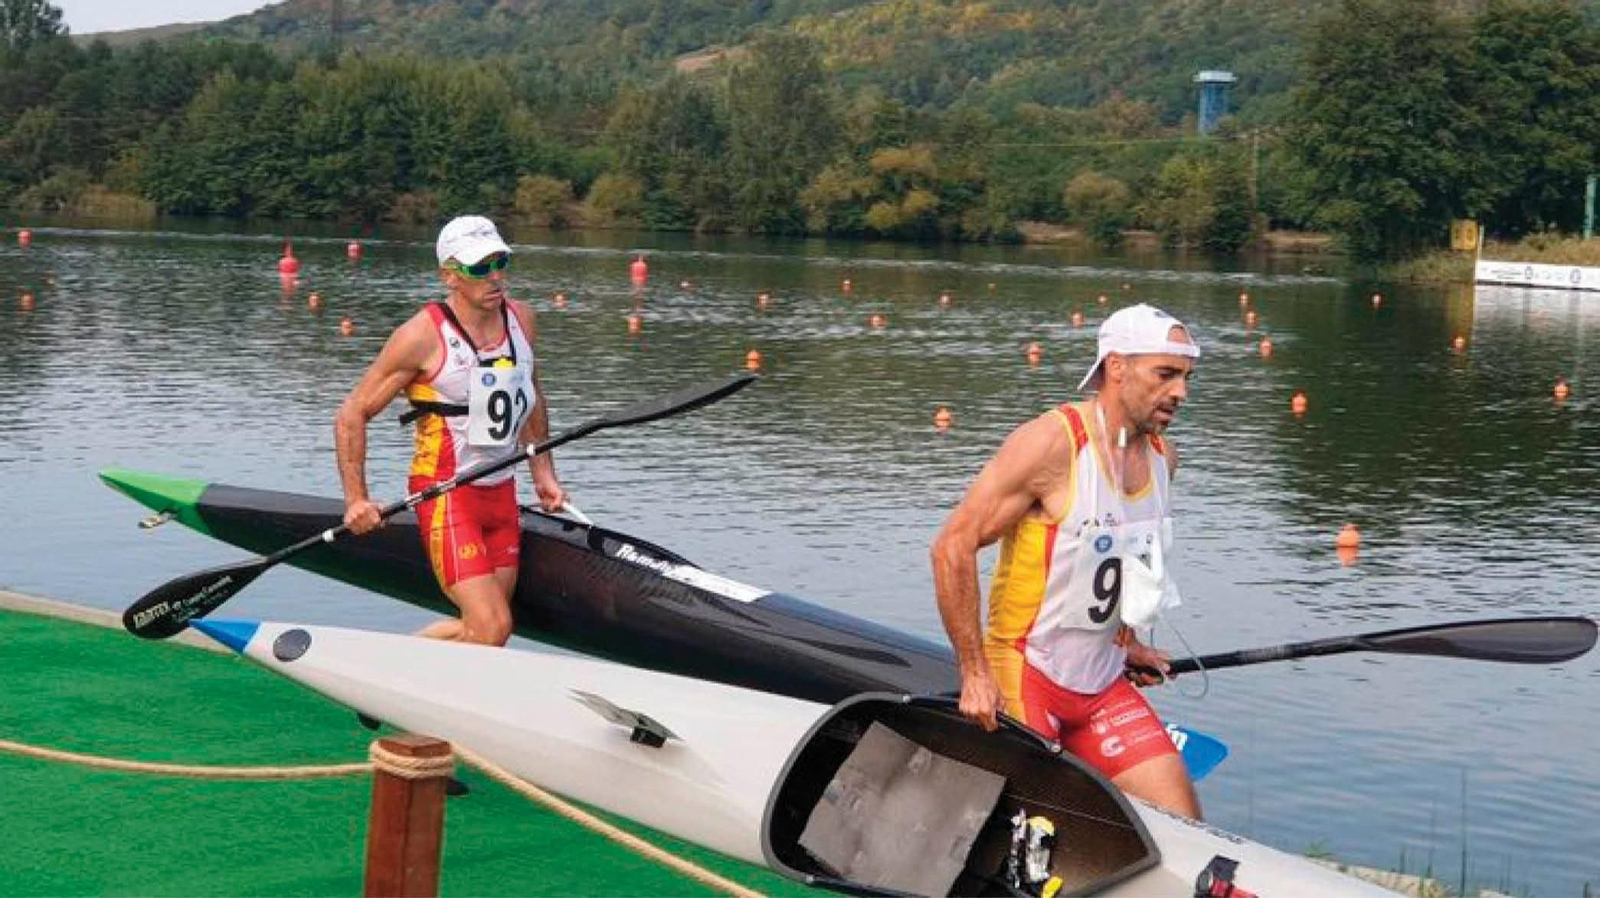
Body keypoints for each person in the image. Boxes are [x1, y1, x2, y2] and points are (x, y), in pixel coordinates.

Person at [931, 303, 1203, 818]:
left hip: (1101, 684)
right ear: (1117, 367)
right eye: (1165, 375)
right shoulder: (1053, 444)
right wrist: (974, 673)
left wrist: (1129, 642)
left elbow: (1122, 559)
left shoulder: (1165, 458)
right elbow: (951, 546)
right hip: (1026, 674)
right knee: (1037, 833)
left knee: (1187, 826)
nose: (1180, 392)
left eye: (1186, 377)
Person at [336, 215, 566, 646]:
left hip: (501, 494)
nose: (495, 276)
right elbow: (352, 413)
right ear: (450, 276)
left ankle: (393, 666)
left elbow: (531, 392)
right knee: (493, 625)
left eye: (500, 262)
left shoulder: (523, 319)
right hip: (446, 496)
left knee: (487, 631)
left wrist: (544, 474)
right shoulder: (421, 336)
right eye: (480, 268)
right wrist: (356, 499)